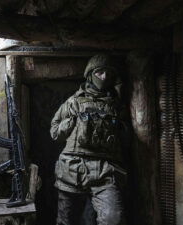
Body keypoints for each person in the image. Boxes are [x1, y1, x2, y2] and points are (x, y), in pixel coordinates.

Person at [50, 54, 130, 225]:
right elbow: (55, 133)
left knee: (113, 219)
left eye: (108, 73)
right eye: (100, 72)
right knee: (66, 220)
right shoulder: (73, 102)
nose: (104, 77)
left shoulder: (116, 106)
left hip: (105, 172)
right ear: (90, 74)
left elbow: (125, 138)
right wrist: (72, 121)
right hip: (72, 170)